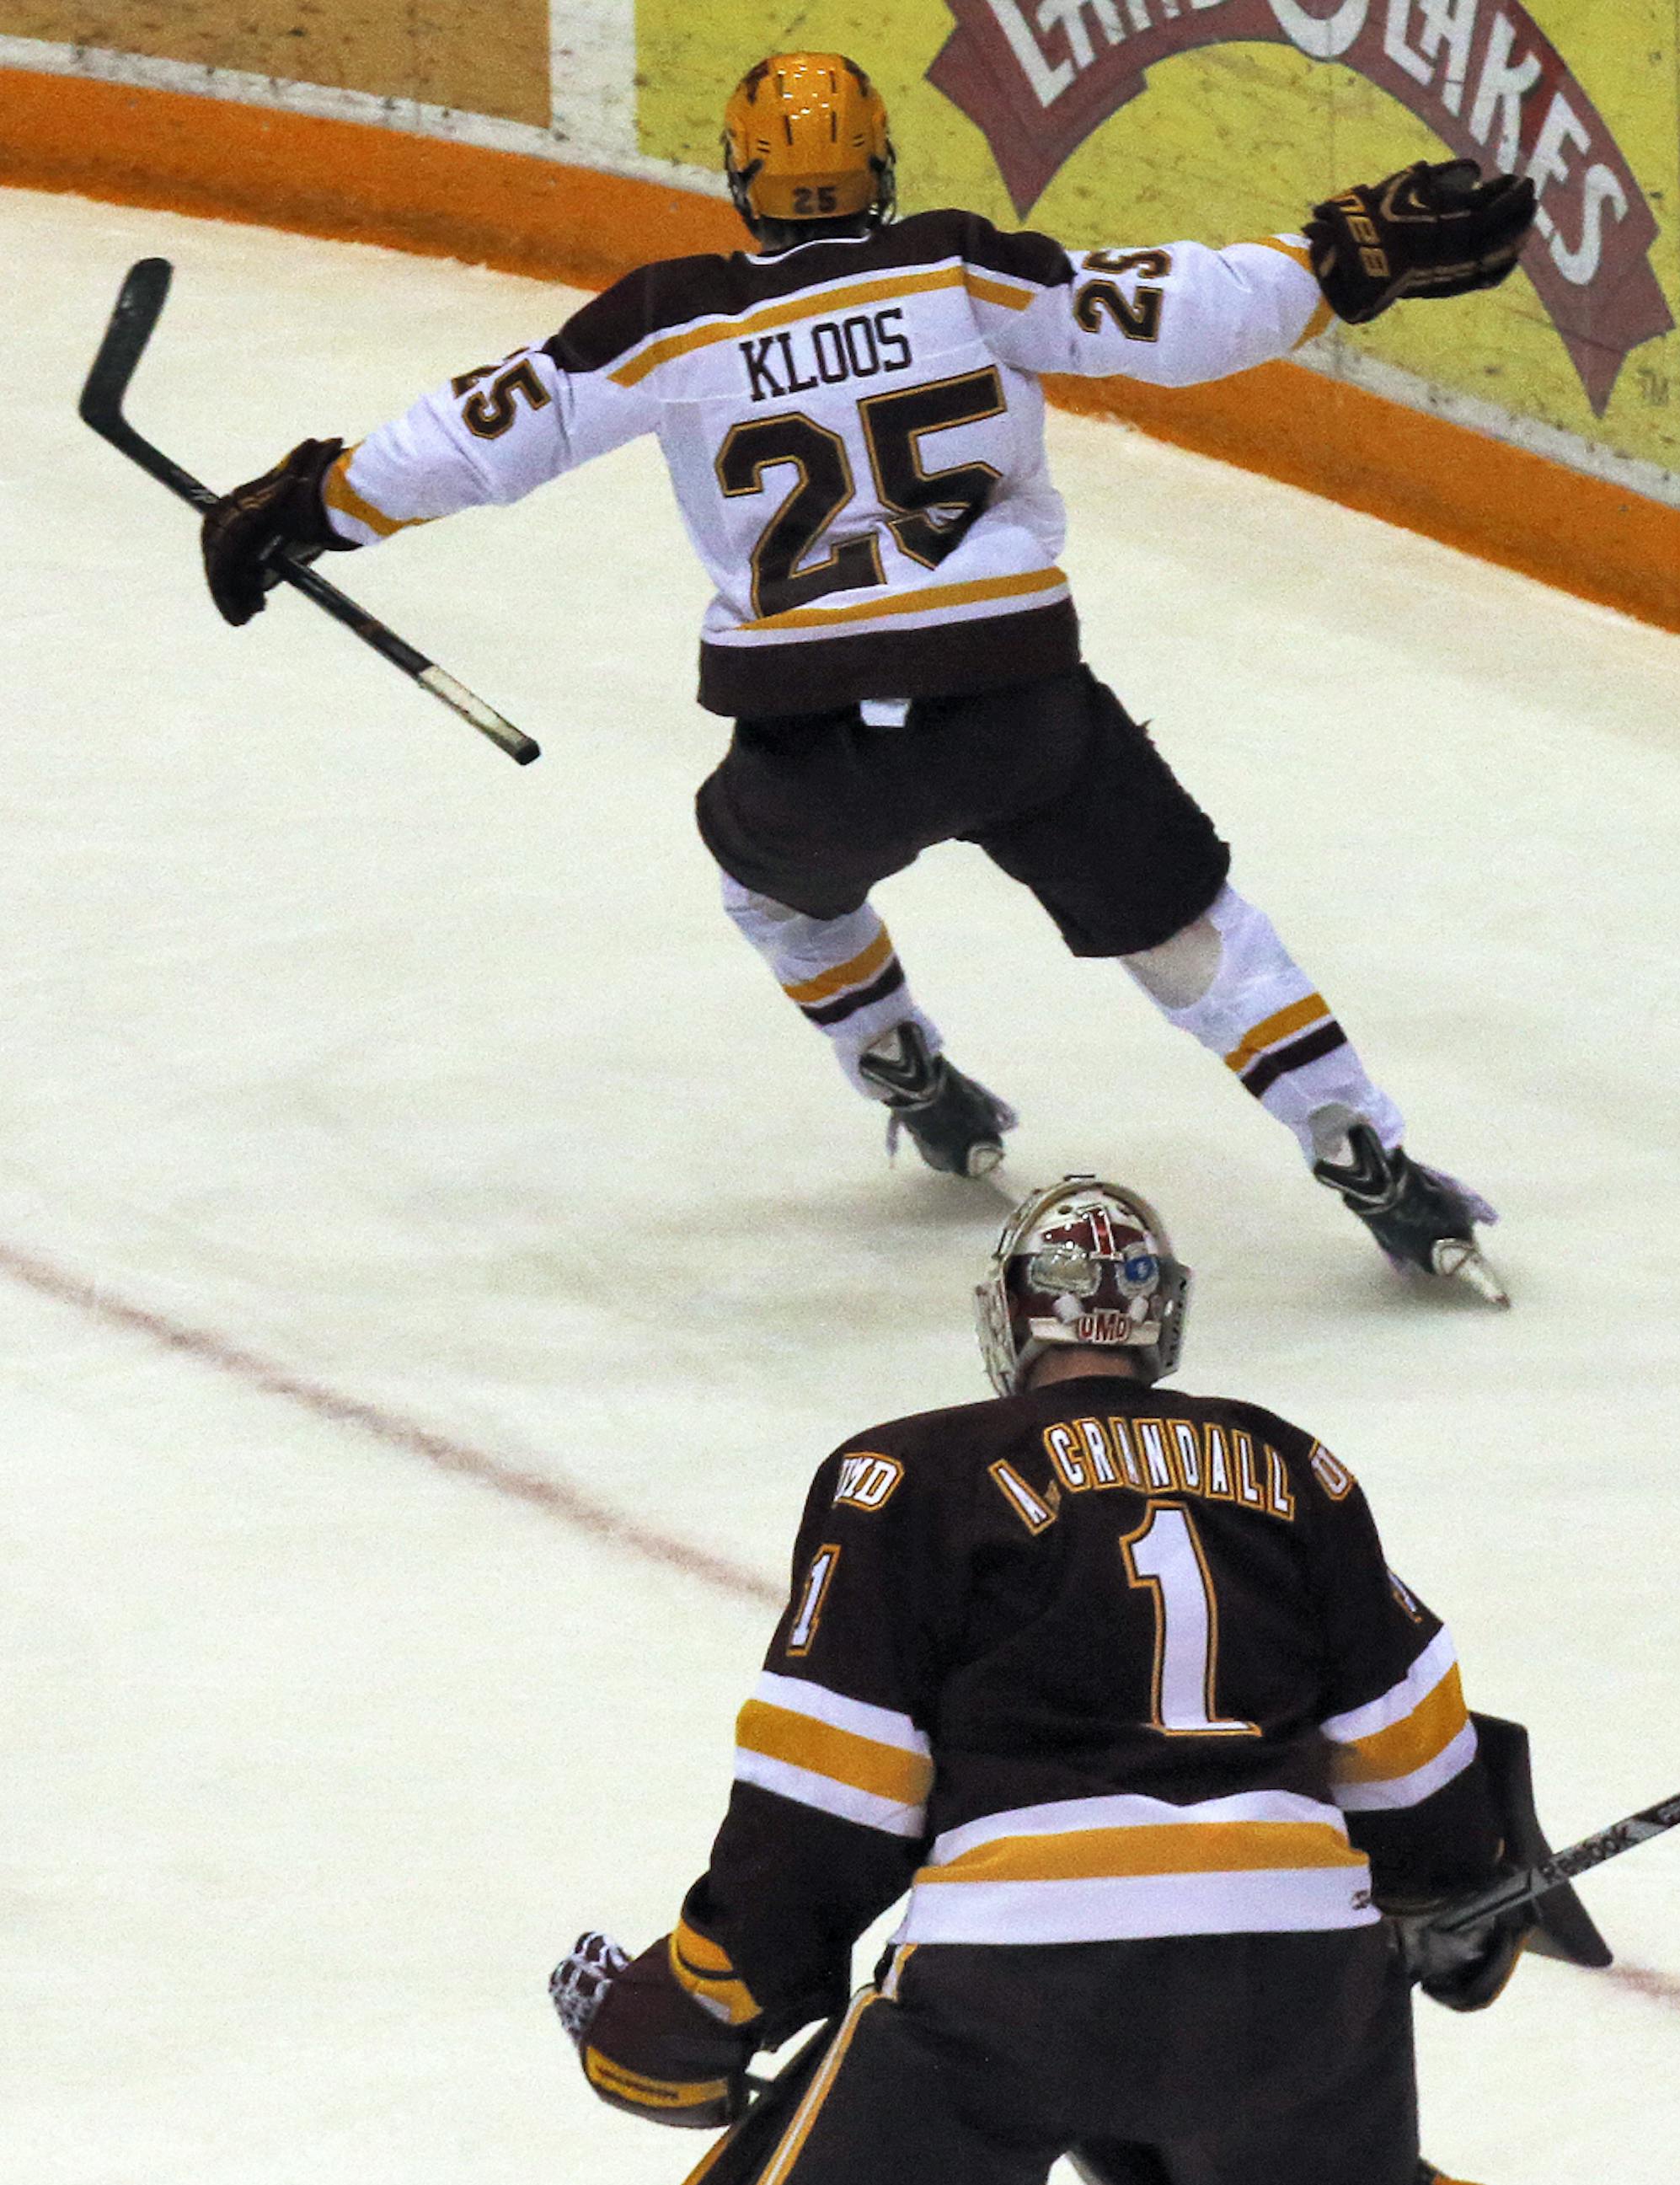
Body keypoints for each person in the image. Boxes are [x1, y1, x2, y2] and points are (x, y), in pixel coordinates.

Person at [200, 52, 1533, 1304]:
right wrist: (1336, 259)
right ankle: (1359, 1142)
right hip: (1020, 708)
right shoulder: (958, 265)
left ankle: (900, 1065)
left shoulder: (668, 319)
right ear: (881, 169)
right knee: (1186, 923)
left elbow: (477, 436)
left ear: (741, 184)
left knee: (770, 888)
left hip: (816, 741)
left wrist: (317, 503)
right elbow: (1171, 313)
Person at [547, 1176, 1536, 2185]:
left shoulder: (905, 1472)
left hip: (1018, 1979)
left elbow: (834, 1796)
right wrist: (1452, 1887)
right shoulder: (1298, 1467)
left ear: (1006, 1318)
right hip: (1292, 1974)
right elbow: (1408, 1750)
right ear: (1163, 1319)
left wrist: (709, 1988)